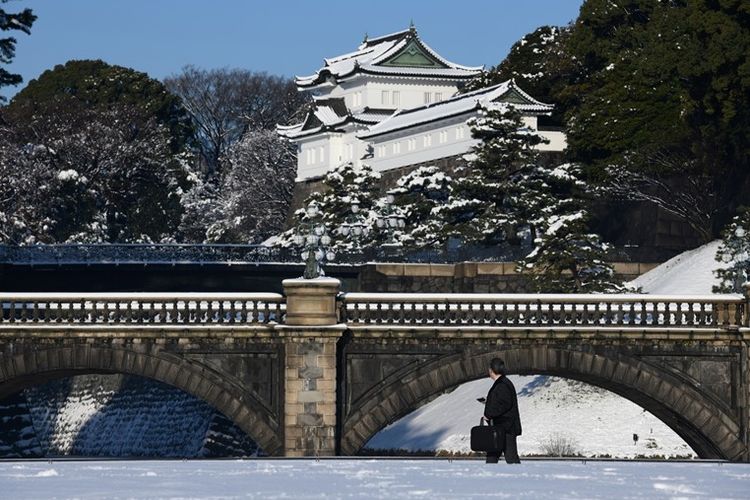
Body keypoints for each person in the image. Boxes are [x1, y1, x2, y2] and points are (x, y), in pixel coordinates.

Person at [483, 357, 522, 464]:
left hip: (505, 429)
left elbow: (504, 404)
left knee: (509, 457)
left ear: (492, 370)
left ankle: (490, 477)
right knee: (494, 456)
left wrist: (489, 414)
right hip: (503, 428)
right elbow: (503, 402)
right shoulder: (504, 383)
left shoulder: (502, 385)